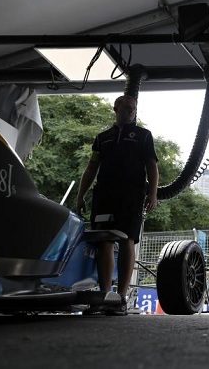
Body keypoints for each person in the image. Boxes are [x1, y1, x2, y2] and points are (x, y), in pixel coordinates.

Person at [76, 94, 159, 315]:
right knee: (104, 241)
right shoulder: (102, 137)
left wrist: (152, 194)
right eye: (126, 108)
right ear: (116, 108)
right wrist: (80, 195)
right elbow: (91, 167)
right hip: (104, 196)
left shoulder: (143, 136)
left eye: (133, 109)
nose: (130, 112)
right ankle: (105, 295)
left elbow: (152, 166)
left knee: (127, 239)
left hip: (131, 196)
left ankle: (121, 297)